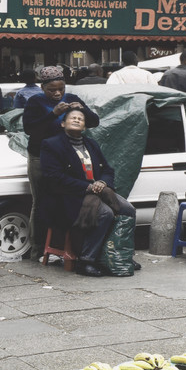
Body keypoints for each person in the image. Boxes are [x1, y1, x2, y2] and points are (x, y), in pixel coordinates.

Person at [40, 109, 137, 277]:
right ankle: (87, 260)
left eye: (81, 119)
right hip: (68, 196)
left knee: (128, 209)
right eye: (73, 118)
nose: (77, 120)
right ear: (63, 123)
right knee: (104, 213)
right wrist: (87, 187)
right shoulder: (51, 145)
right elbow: (54, 177)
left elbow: (107, 169)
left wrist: (102, 182)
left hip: (97, 190)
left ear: (84, 126)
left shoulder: (91, 144)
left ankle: (121, 255)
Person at [23, 66, 100, 258]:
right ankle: (37, 248)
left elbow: (93, 122)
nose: (57, 93)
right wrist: (53, 114)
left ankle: (65, 246)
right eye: (52, 90)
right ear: (43, 87)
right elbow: (30, 130)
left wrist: (84, 111)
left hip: (66, 159)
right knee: (40, 201)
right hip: (40, 157)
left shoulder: (73, 98)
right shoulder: (35, 102)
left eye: (61, 89)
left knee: (66, 199)